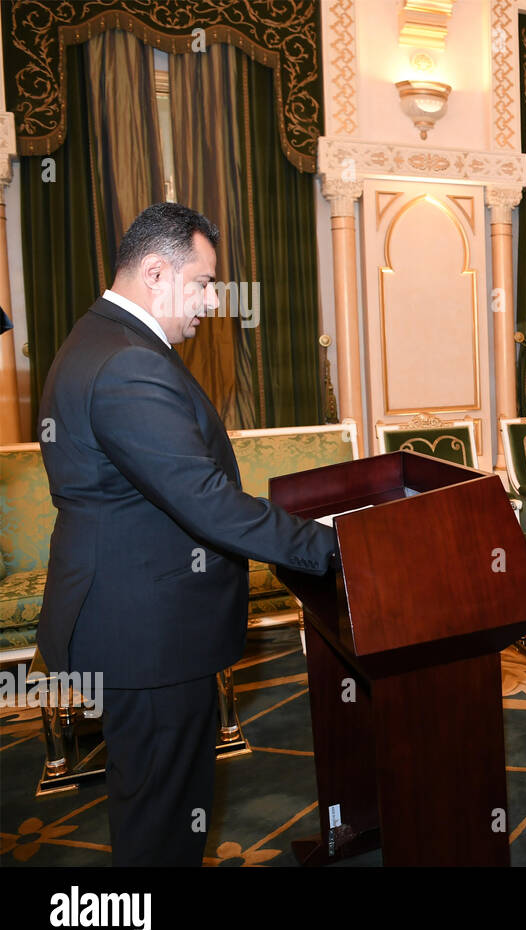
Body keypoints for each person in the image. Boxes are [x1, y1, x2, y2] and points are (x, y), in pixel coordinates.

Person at [37, 202, 339, 865]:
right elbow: (205, 503)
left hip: (131, 620)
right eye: (203, 282)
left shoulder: (101, 340)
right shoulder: (126, 364)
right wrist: (334, 547)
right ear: (154, 271)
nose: (212, 300)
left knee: (153, 803)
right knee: (162, 824)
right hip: (147, 632)